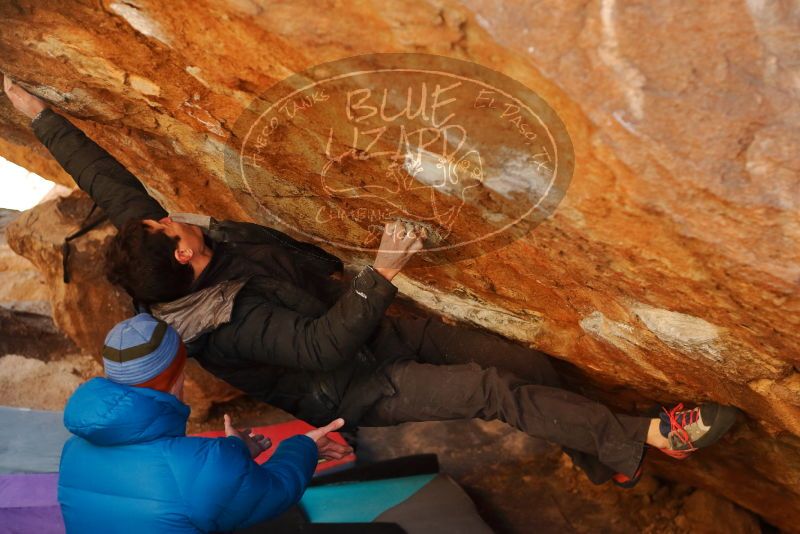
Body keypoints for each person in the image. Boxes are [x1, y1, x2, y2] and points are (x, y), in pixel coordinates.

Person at [7, 77, 738, 488]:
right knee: (491, 389)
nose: (173, 219)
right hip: (351, 381)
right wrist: (382, 272)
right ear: (189, 260)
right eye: (173, 230)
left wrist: (38, 115)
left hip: (364, 329)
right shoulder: (228, 323)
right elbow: (324, 346)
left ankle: (601, 451)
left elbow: (110, 180)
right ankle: (646, 436)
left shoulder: (157, 258)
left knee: (519, 363)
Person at [58, 312, 350, 533]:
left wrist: (236, 454)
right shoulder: (204, 466)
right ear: (177, 376)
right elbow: (275, 492)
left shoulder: (72, 452)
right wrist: (304, 446)